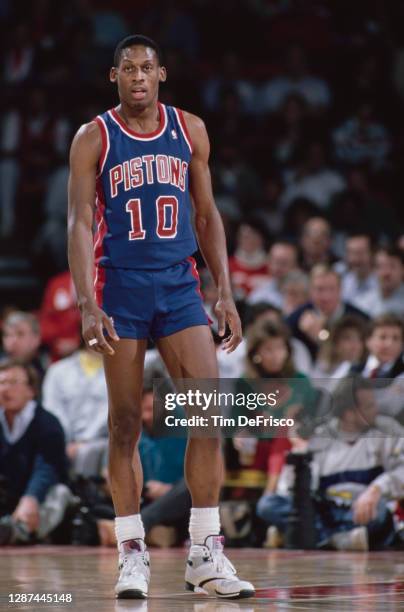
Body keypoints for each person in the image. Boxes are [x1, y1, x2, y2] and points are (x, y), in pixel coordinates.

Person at [67, 34, 254, 599]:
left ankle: (204, 551)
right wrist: (85, 302)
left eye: (147, 67)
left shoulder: (190, 128)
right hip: (118, 285)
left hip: (177, 286)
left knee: (208, 413)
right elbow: (77, 222)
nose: (139, 76)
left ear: (163, 73)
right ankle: (132, 552)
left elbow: (206, 212)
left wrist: (223, 290)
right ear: (114, 76)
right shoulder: (93, 137)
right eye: (129, 69)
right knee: (124, 423)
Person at [0, 359, 71, 545]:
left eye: (13, 382)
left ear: (31, 390)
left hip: (39, 493)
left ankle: (18, 532)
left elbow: (47, 468)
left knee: (59, 493)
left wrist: (31, 497)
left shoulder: (47, 424)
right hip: (8, 494)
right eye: (1, 382)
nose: (5, 389)